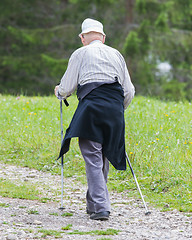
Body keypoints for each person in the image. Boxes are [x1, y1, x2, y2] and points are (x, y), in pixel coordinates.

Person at [55, 18, 135, 221]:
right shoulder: (116, 54)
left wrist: (59, 92)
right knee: (103, 156)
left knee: (92, 156)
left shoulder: (80, 53)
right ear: (103, 37)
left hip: (91, 110)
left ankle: (100, 206)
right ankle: (94, 204)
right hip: (114, 110)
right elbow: (129, 91)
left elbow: (67, 88)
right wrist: (118, 109)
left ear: (82, 38)